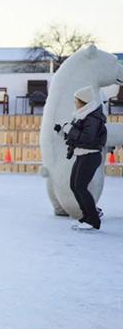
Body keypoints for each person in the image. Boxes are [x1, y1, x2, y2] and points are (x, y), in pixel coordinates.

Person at [54, 86, 107, 230]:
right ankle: (87, 216)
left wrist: (69, 129)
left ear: (84, 102)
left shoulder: (93, 118)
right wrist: (62, 131)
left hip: (90, 155)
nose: (74, 103)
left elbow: (87, 138)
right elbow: (76, 136)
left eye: (76, 100)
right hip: (82, 154)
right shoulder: (83, 115)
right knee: (75, 186)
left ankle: (93, 220)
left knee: (80, 187)